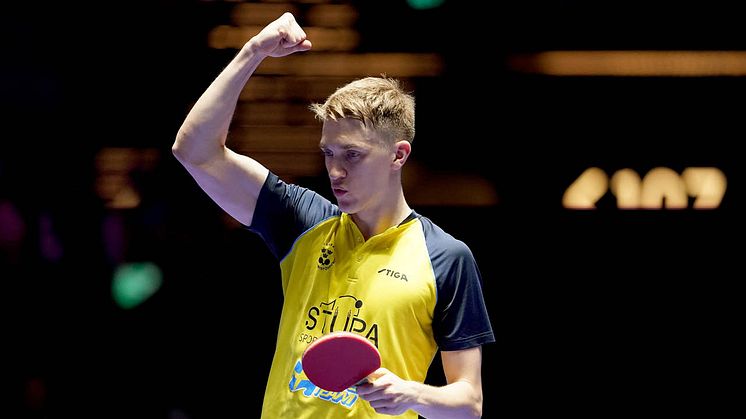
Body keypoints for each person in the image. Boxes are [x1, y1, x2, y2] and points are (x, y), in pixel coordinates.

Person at [172, 12, 494, 419]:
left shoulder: (446, 257)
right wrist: (252, 52)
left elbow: (469, 403)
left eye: (353, 155)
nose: (336, 171)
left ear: (398, 155)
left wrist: (413, 395)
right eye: (329, 153)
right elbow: (194, 151)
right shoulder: (302, 221)